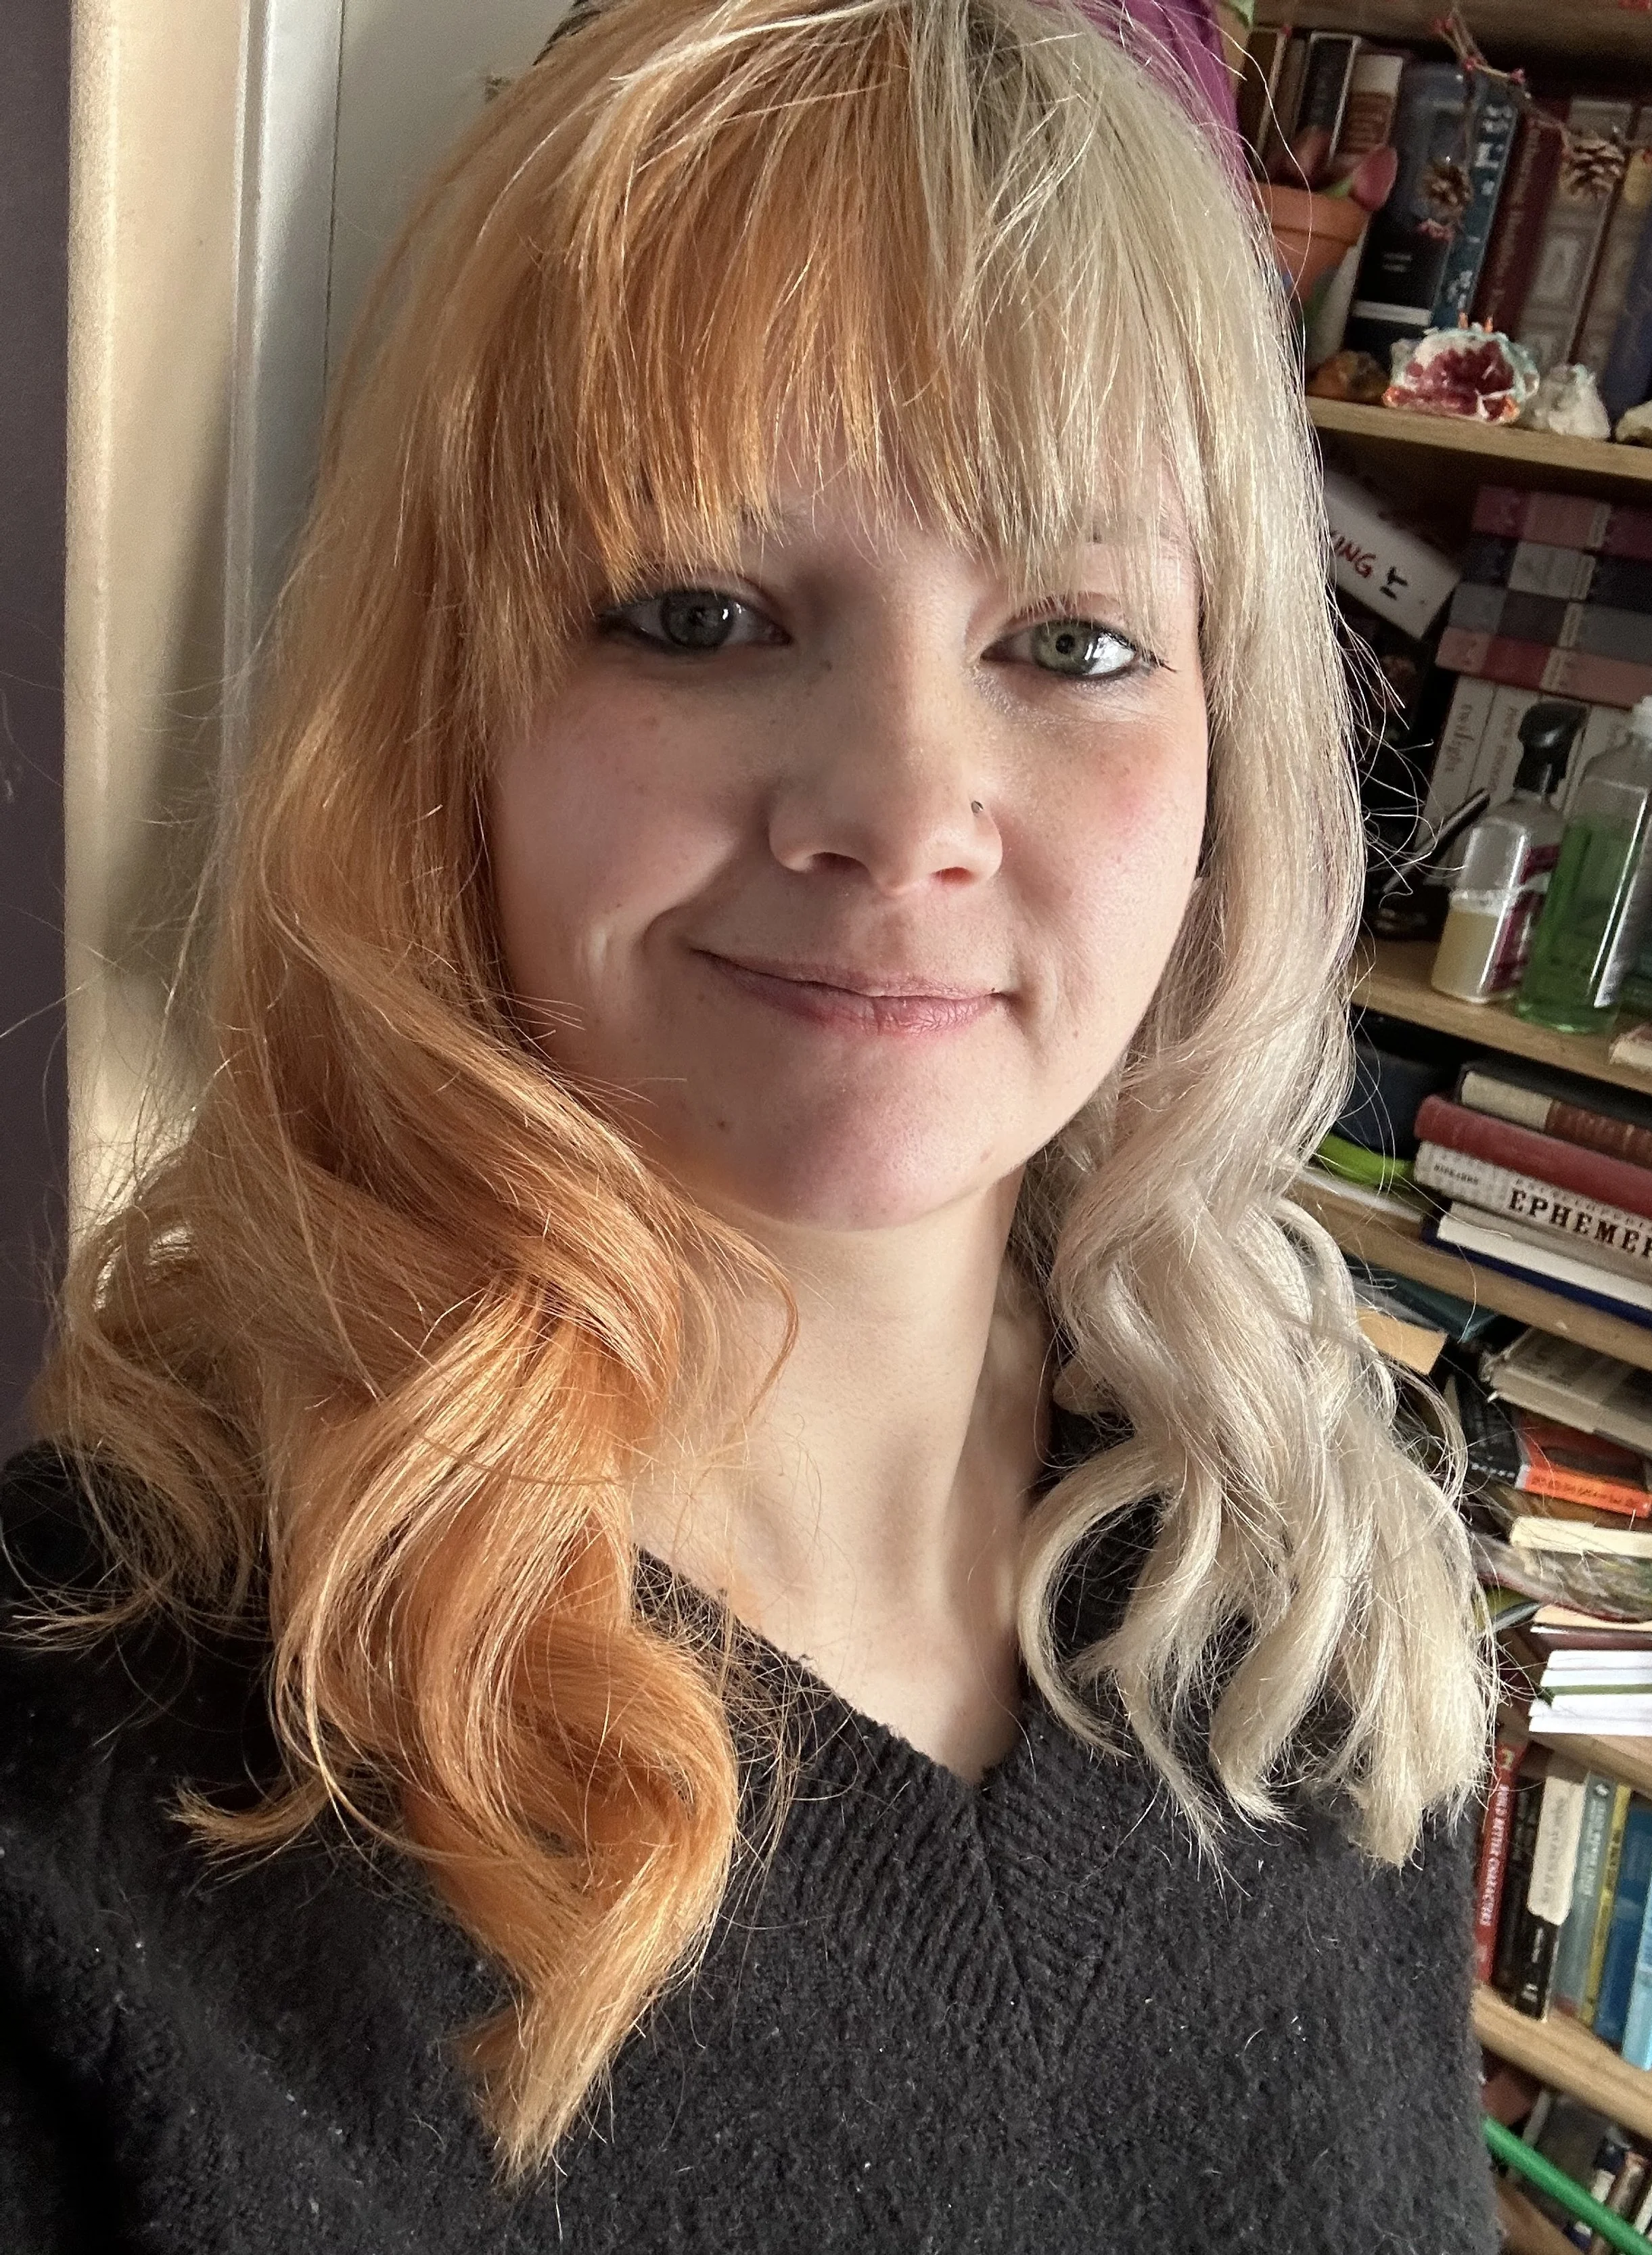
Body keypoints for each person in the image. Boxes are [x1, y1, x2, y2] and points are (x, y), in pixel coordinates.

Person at [0, 1, 1498, 2247]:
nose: (901, 811)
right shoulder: (83, 1765)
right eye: (698, 612)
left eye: (1074, 640)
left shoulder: (1310, 1614)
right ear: (454, 714)